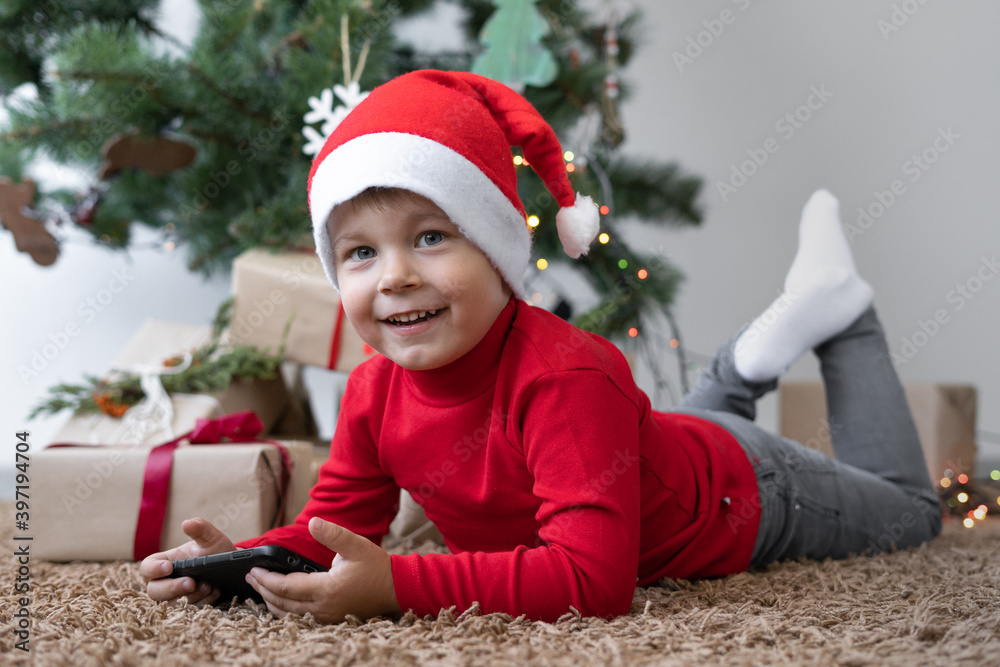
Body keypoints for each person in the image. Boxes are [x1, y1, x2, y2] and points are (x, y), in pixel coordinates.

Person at [140, 70, 941, 623]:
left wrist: (398, 587)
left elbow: (593, 580)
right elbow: (337, 525)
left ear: (498, 250)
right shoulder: (372, 391)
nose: (396, 278)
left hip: (748, 493)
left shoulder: (565, 375)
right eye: (359, 253)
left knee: (911, 513)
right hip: (652, 450)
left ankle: (840, 309)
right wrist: (243, 565)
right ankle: (743, 368)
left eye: (429, 237)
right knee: (662, 434)